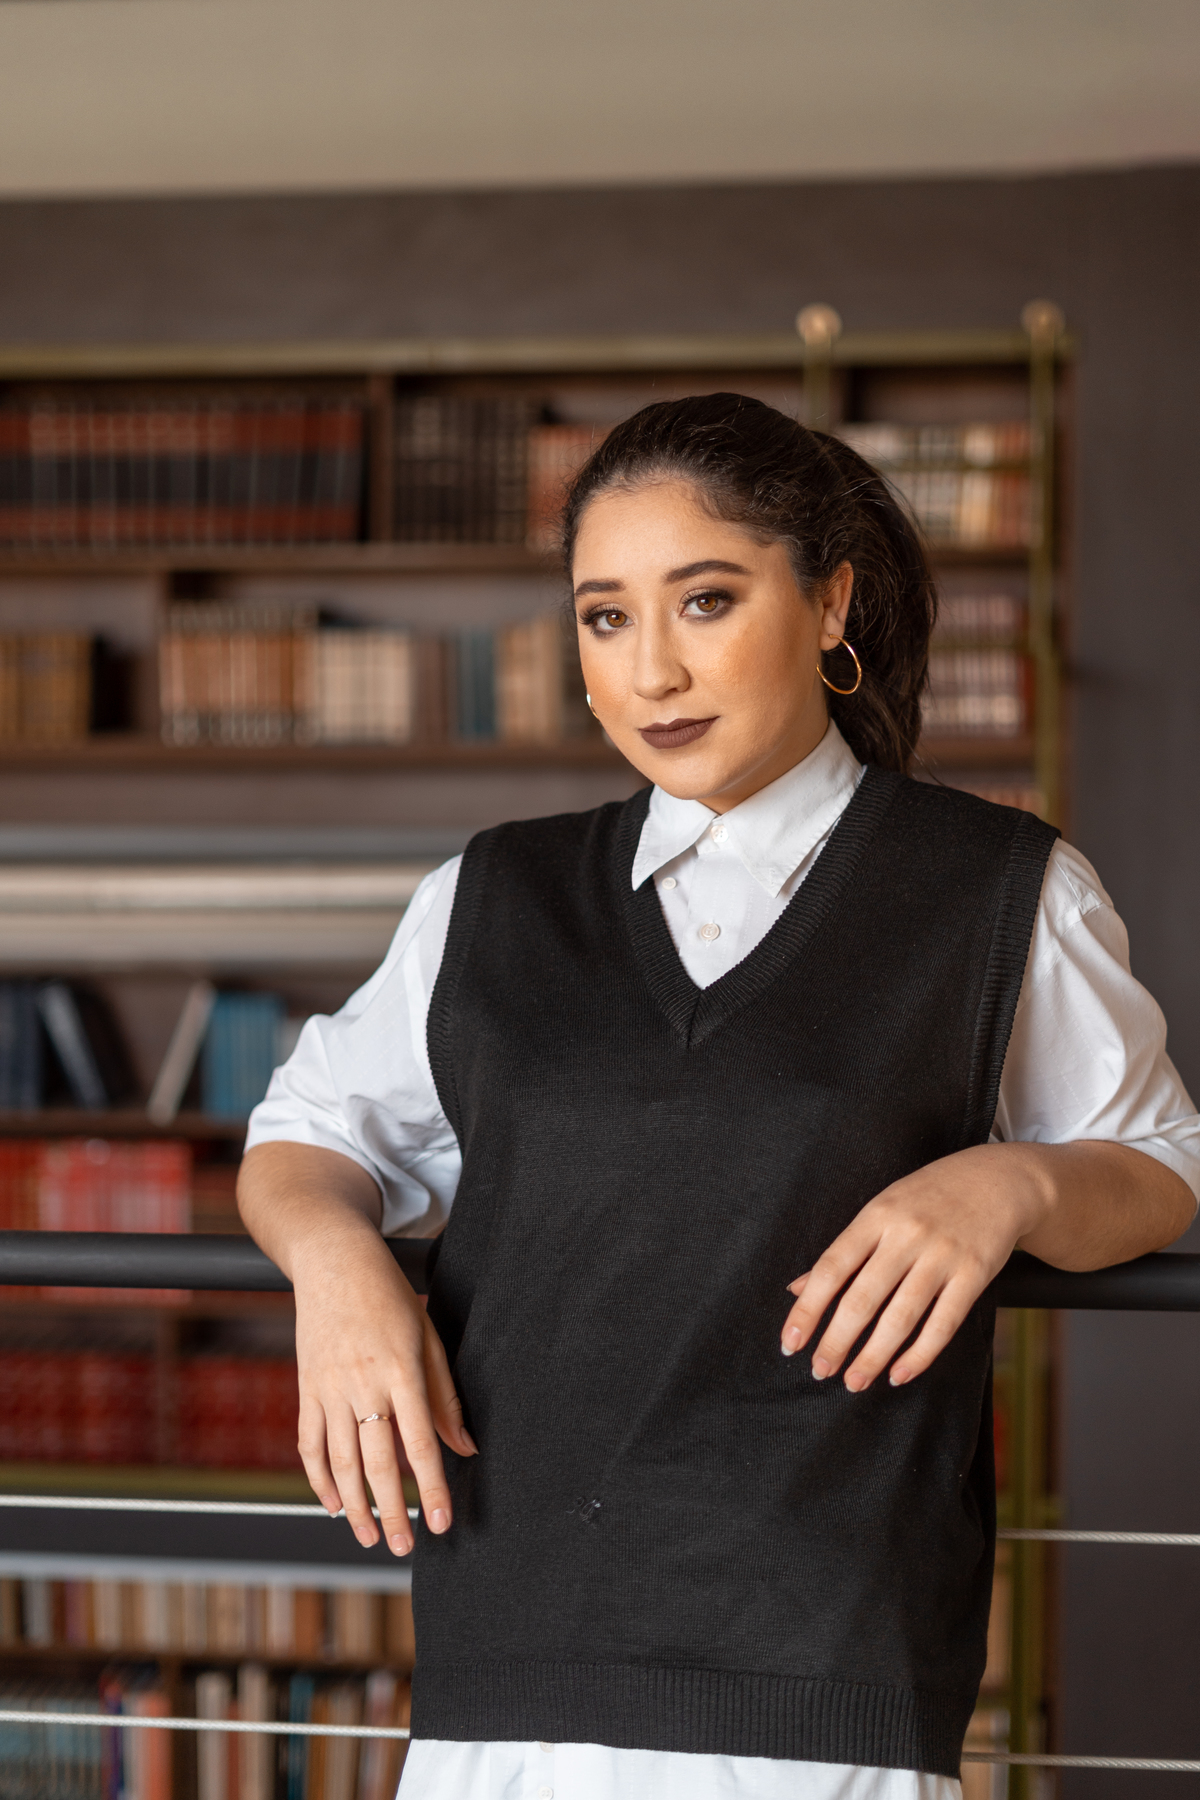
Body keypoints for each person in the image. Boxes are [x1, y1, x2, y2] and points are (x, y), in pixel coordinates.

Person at [239, 393, 1200, 1800]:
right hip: (514, 1650)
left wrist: (1015, 1182)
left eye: (705, 601)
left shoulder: (997, 891)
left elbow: (1161, 1157)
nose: (651, 671)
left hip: (827, 1672)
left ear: (831, 605)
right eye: (604, 618)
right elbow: (307, 1134)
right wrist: (335, 1269)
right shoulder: (491, 899)